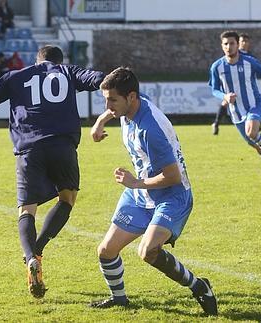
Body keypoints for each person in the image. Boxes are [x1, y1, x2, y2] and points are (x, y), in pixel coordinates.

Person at [88, 67, 218, 316]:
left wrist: (134, 183)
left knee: (147, 252)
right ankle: (119, 299)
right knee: (106, 251)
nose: (108, 105)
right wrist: (100, 122)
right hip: (141, 194)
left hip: (172, 196)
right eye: (106, 100)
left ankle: (198, 286)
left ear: (131, 97)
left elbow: (172, 176)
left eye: (112, 100)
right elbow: (113, 109)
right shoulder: (130, 105)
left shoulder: (151, 130)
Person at [0, 45, 105, 299]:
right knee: (67, 198)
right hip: (62, 146)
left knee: (27, 210)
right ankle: (38, 250)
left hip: (28, 150)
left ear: (37, 61)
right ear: (60, 61)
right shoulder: (68, 72)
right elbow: (100, 80)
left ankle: (29, 257)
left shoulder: (16, 76)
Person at [209, 30, 261, 185]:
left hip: (255, 105)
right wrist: (224, 96)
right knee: (256, 145)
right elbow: (214, 89)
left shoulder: (249, 62)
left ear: (237, 44)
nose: (229, 47)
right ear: (222, 46)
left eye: (232, 43)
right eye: (225, 44)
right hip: (236, 113)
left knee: (251, 132)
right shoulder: (216, 67)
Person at [211, 32, 254, 135]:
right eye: (242, 41)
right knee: (227, 101)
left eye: (246, 41)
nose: (244, 43)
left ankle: (252, 125)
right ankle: (216, 123)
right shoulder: (233, 54)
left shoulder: (249, 56)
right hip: (230, 83)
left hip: (245, 85)